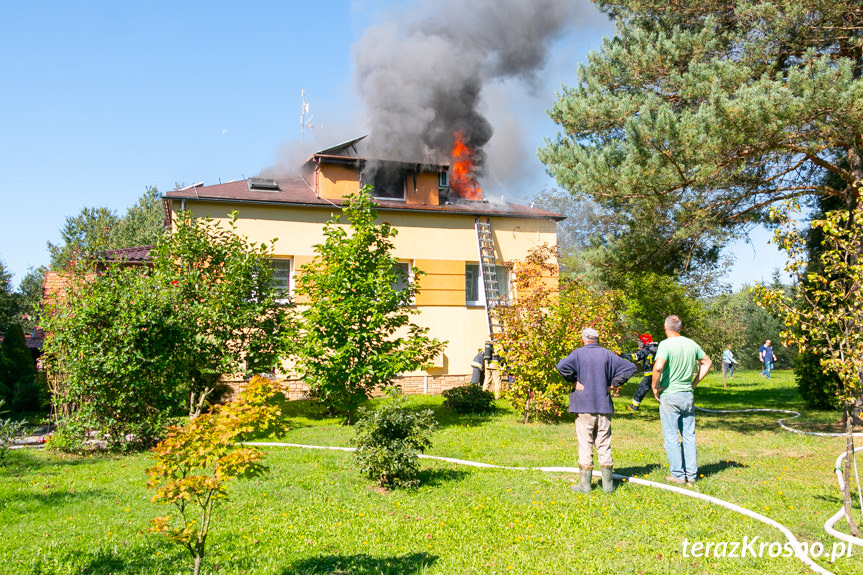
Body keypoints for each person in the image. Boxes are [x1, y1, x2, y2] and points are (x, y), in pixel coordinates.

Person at [557, 327, 637, 493]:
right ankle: (608, 486)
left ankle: (585, 485)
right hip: (603, 405)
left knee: (585, 443)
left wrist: (573, 381)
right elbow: (630, 368)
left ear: (584, 339)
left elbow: (561, 366)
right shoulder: (607, 354)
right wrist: (614, 384)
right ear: (598, 339)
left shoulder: (578, 353)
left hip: (583, 405)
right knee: (604, 444)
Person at [651, 315, 712, 486]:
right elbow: (707, 362)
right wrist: (694, 383)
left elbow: (658, 366)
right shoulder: (691, 344)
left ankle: (677, 475)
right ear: (680, 328)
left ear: (666, 327)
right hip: (687, 395)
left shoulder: (665, 344)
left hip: (670, 395)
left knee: (671, 436)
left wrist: (654, 386)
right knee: (689, 435)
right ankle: (691, 475)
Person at [623, 333, 659, 412]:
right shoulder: (656, 349)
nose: (640, 344)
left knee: (640, 391)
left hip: (649, 375)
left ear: (645, 342)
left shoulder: (645, 350)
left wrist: (623, 355)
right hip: (658, 374)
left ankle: (633, 407)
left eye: (641, 342)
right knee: (660, 391)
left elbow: (634, 357)